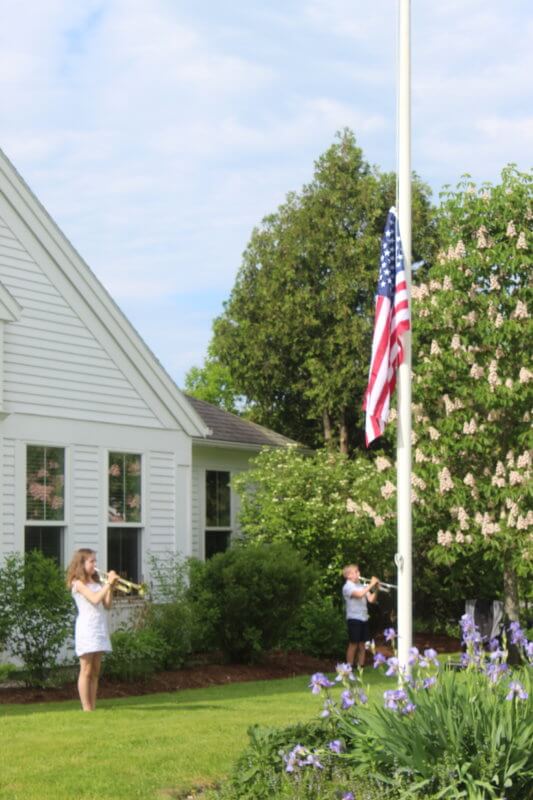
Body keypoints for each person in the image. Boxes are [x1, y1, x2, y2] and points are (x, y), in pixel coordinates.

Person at [66, 548, 118, 711]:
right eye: (91, 561)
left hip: (99, 627)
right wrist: (108, 583)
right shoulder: (77, 583)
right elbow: (95, 599)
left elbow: (107, 605)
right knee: (86, 669)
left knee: (95, 670)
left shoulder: (98, 583)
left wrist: (111, 587)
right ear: (82, 563)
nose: (95, 564)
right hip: (87, 628)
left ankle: (93, 707)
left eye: (95, 561)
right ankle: (86, 708)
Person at [342, 564, 379, 668]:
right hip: (354, 618)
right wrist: (371, 584)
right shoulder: (347, 587)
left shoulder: (361, 585)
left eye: (358, 571)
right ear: (348, 575)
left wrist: (376, 589)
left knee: (362, 644)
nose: (359, 574)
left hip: (363, 617)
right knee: (353, 644)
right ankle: (349, 667)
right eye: (356, 572)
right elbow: (359, 594)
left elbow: (371, 600)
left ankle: (360, 667)